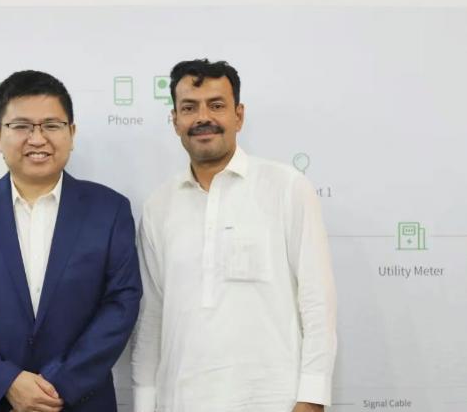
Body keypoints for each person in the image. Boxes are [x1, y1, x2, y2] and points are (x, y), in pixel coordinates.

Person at [0, 70, 142, 412]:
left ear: (72, 133)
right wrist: (6, 382)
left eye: (51, 125)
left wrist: (59, 384)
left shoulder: (109, 210)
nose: (37, 139)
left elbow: (121, 304)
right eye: (22, 126)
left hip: (79, 400)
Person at [131, 59, 337, 412]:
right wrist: (144, 403)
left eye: (216, 105)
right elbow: (152, 316)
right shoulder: (159, 205)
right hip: (180, 401)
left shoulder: (286, 187)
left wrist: (312, 398)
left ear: (238, 116)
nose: (203, 118)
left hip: (273, 400)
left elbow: (317, 301)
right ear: (175, 120)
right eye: (189, 108)